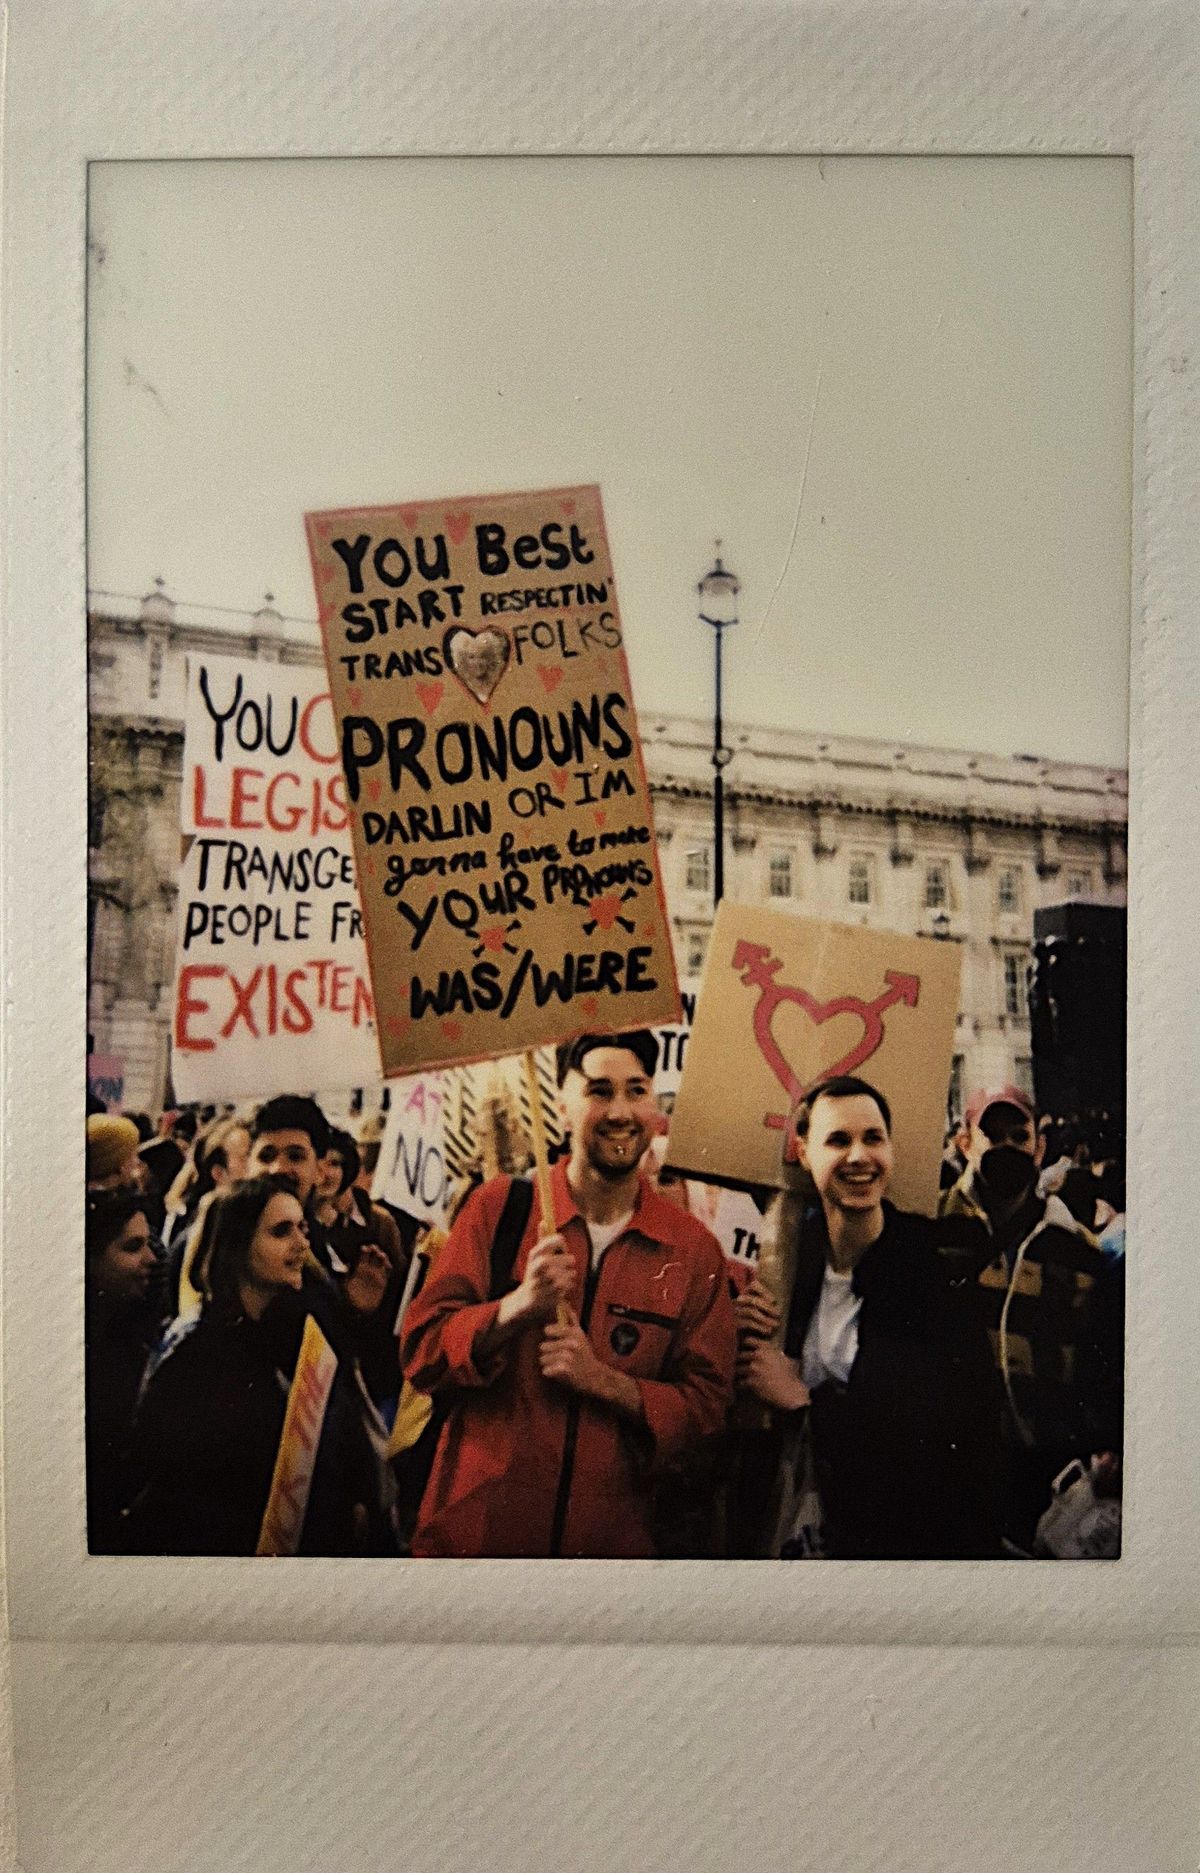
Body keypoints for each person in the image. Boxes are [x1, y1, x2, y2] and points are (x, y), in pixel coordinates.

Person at [400, 1030, 737, 1557]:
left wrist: (604, 1382)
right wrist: (515, 1309)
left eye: (636, 1090)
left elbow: (707, 1413)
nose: (620, 1111)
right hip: (475, 1550)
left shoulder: (692, 1250)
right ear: (561, 1108)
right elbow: (420, 1352)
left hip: (609, 1567)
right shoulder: (499, 1208)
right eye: (599, 1091)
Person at [737, 1076, 1001, 1559]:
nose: (859, 1157)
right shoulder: (792, 1268)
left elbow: (947, 1427)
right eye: (838, 1140)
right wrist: (746, 1326)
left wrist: (805, 1402)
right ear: (803, 1151)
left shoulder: (931, 1271)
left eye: (873, 1138)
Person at [124, 1176, 390, 1555]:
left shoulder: (290, 1327)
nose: (301, 1243)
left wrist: (354, 1315)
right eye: (281, 1232)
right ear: (237, 1245)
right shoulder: (194, 1352)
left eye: (301, 1227)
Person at [938, 1084, 1123, 1552]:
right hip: (950, 1472)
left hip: (1046, 1480)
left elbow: (1097, 1366)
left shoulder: (1080, 1251)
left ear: (1039, 1147)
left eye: (1018, 1136)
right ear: (964, 1142)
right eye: (991, 1134)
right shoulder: (929, 1228)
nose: (1005, 1148)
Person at [85, 1188, 162, 1551]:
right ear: (90, 1259)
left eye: (148, 1244)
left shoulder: (134, 1329)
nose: (151, 1258)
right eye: (132, 1248)